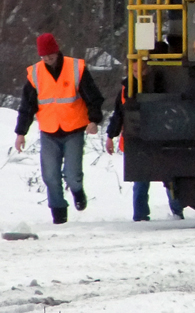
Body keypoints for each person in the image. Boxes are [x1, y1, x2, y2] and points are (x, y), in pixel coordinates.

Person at [13, 33, 103, 225]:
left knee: (72, 175)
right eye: (44, 56)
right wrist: (21, 132)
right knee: (50, 176)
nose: (47, 59)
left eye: (50, 55)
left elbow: (93, 97)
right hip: (48, 131)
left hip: (74, 129)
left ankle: (77, 191)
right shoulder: (35, 74)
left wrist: (94, 120)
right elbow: (27, 106)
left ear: (57, 51)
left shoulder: (76, 68)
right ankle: (59, 213)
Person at [105, 46, 185, 221]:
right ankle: (140, 216)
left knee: (169, 178)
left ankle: (177, 212)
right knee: (140, 181)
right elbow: (119, 115)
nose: (138, 74)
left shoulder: (163, 85)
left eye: (143, 70)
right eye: (134, 70)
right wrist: (111, 135)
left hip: (160, 138)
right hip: (137, 139)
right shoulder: (126, 89)